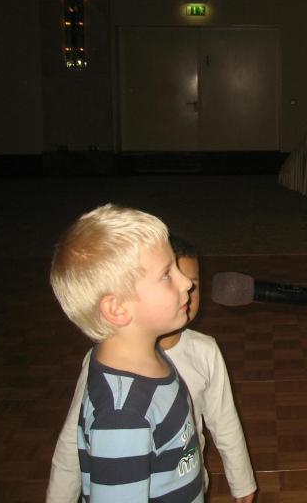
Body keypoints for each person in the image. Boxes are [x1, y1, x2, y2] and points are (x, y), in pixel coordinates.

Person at [47, 233, 257, 502]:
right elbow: (71, 446)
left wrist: (242, 482)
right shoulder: (108, 370)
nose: (186, 289)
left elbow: (224, 421)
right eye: (168, 278)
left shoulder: (205, 351)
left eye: (194, 284)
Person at [49, 204, 203, 502]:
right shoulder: (123, 416)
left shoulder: (147, 358)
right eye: (167, 274)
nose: (186, 282)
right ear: (118, 308)